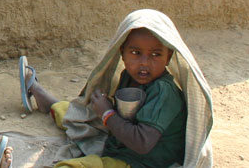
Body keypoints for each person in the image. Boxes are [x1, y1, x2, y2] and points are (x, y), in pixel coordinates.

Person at [18, 15, 189, 168]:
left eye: (155, 54)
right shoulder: (128, 76)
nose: (144, 62)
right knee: (82, 116)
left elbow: (142, 143)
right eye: (135, 53)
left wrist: (107, 113)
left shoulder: (163, 91)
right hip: (119, 145)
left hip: (139, 162)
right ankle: (48, 103)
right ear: (122, 53)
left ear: (168, 56)